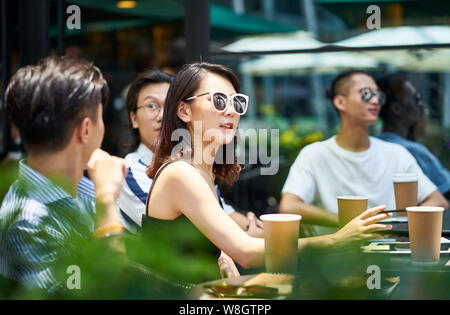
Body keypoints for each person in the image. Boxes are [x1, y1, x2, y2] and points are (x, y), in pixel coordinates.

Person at [143, 62, 393, 277]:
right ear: (184, 110)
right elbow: (246, 253)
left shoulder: (201, 172)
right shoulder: (182, 174)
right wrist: (337, 239)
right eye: (218, 100)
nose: (231, 110)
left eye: (237, 102)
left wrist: (221, 258)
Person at [0, 56, 127, 291]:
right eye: (100, 119)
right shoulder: (27, 222)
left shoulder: (86, 188)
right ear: (86, 129)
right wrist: (107, 201)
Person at [279, 70, 448, 232]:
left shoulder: (396, 153)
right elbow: (288, 206)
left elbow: (438, 201)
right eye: (366, 94)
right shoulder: (315, 154)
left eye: (379, 96)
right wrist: (351, 224)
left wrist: (399, 223)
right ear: (340, 102)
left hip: (389, 250)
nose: (375, 101)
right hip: (336, 252)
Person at [117, 69, 263, 235]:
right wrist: (248, 236)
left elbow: (223, 212)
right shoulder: (131, 170)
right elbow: (197, 229)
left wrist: (254, 229)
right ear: (133, 118)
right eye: (152, 106)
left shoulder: (195, 163)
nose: (163, 115)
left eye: (168, 106)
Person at [377, 74, 450, 199]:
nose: (421, 105)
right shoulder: (414, 151)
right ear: (396, 108)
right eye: (415, 98)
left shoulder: (375, 144)